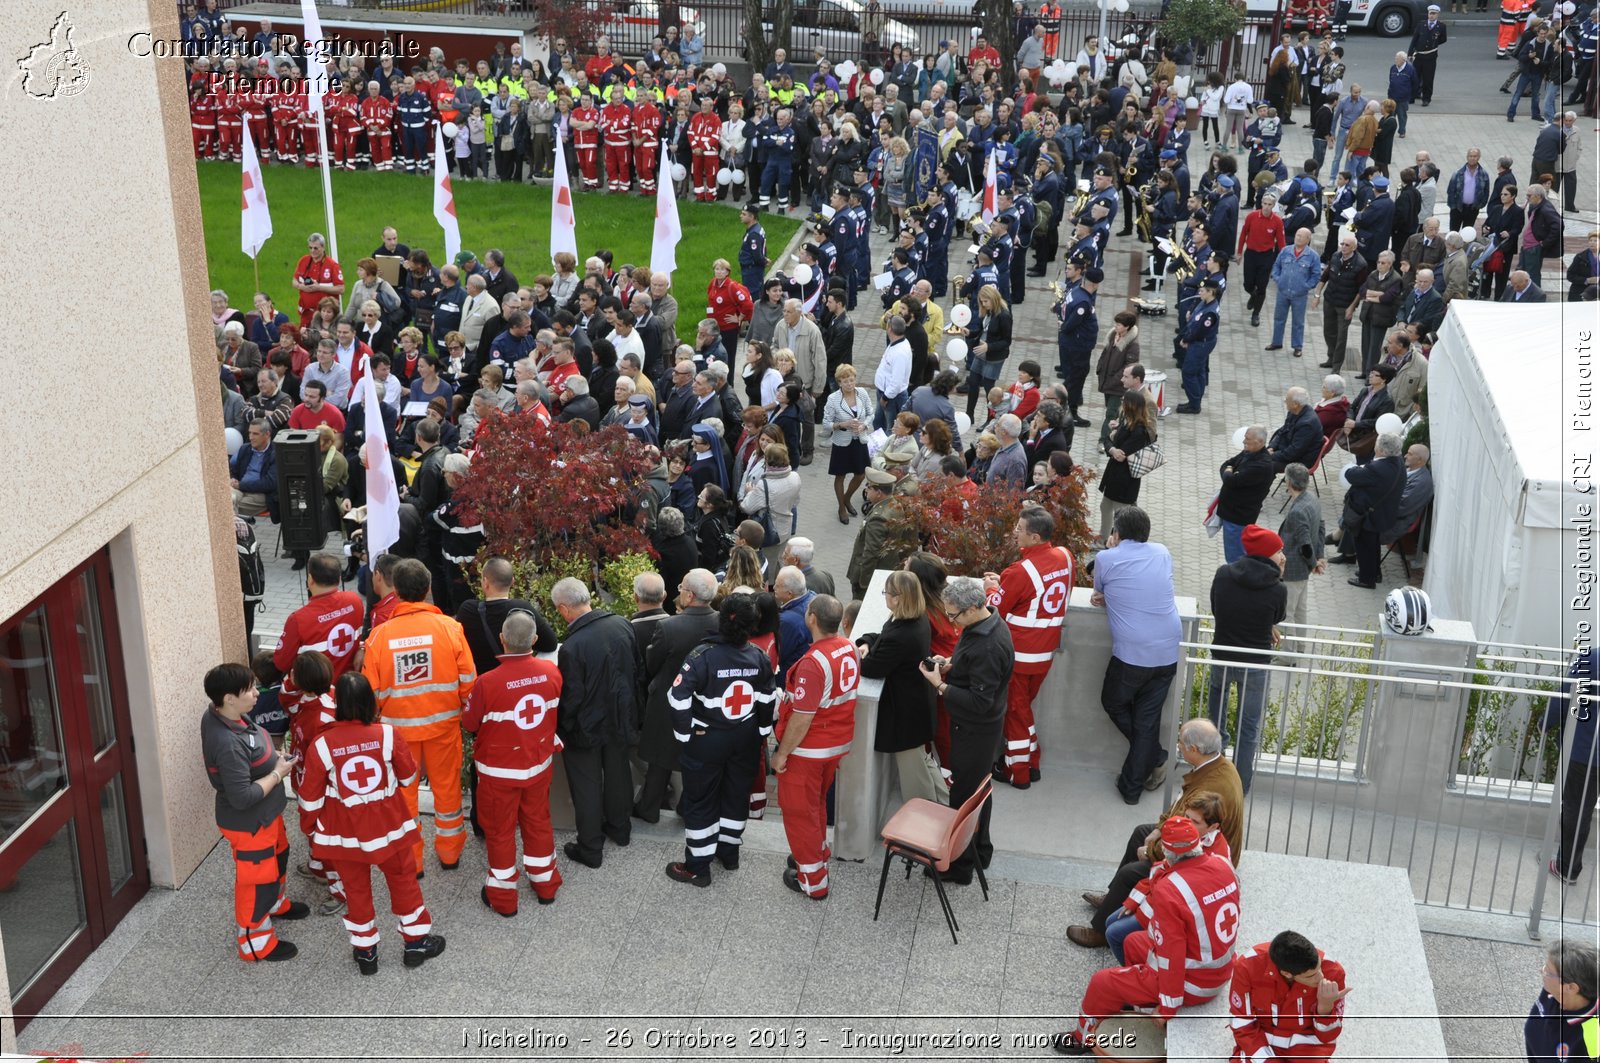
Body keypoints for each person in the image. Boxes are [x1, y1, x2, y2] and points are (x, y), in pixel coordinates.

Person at [1052, 815, 1241, 1055]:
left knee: (1102, 982)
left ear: (1168, 853)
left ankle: (1082, 1038)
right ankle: (1141, 1004)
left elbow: (1172, 954)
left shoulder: (1170, 889)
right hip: (1218, 970)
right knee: (1132, 942)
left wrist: (1168, 1006)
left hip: (1192, 982)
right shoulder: (1222, 864)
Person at [1071, 719, 1245, 949]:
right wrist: (1157, 829)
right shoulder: (1217, 766)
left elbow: (1185, 839)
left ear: (1194, 750)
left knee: (1130, 872)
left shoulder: (1210, 786)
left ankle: (1101, 931)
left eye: (1181, 743)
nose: (1178, 746)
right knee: (1140, 832)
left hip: (1201, 857)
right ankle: (1115, 899)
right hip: (1197, 840)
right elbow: (1180, 808)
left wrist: (1151, 850)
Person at [359, 558, 475, 872]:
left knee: (404, 798)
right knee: (447, 790)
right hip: (443, 727)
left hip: (399, 734)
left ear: (395, 590)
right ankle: (450, 853)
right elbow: (468, 680)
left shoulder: (380, 637)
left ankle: (414, 860)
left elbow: (371, 693)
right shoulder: (450, 629)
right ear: (428, 589)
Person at [665, 593, 779, 886]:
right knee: (735, 794)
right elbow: (767, 699)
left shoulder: (702, 656)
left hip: (707, 739)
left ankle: (697, 868)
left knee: (701, 800)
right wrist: (762, 733)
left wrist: (685, 735)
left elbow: (677, 699)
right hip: (745, 738)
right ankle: (729, 854)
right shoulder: (759, 657)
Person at [201, 662, 308, 963]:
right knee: (256, 882)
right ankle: (255, 943)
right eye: (248, 689)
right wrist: (278, 773)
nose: (256, 693)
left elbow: (252, 744)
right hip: (250, 823)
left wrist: (272, 756)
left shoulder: (224, 714)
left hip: (267, 815)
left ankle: (276, 904)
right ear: (229, 699)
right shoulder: (226, 743)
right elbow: (242, 797)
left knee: (279, 858)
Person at [461, 610, 564, 915]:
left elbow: (470, 723)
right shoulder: (552, 673)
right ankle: (545, 884)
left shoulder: (487, 683)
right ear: (534, 640)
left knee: (500, 832)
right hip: (539, 765)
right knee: (538, 822)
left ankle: (504, 899)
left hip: (498, 773)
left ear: (502, 640)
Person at [919, 576, 1012, 884]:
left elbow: (980, 700)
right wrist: (951, 664)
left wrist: (940, 684)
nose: (950, 620)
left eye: (953, 615)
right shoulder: (987, 625)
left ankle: (958, 868)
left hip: (976, 732)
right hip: (982, 730)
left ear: (974, 607)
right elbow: (972, 668)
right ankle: (980, 851)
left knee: (963, 799)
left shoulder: (987, 645)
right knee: (978, 794)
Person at [1092, 507, 1183, 805]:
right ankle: (1136, 781)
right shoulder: (1162, 552)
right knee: (1146, 720)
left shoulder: (1106, 558)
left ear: (1116, 533)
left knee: (1113, 701)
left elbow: (1099, 591)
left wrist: (1110, 549)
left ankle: (1154, 758)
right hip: (1168, 649)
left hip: (1132, 654)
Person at [550, 577, 639, 869]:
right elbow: (637, 670)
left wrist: (562, 728)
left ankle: (590, 848)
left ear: (564, 609)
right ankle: (620, 829)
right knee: (618, 775)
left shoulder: (573, 646)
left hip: (586, 728)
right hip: (621, 718)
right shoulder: (622, 624)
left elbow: (572, 697)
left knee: (586, 786)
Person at [773, 595, 858, 899]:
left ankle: (813, 882)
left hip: (808, 751)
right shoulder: (849, 647)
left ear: (811, 619)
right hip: (834, 745)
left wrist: (782, 752)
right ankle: (816, 855)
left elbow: (802, 717)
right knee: (816, 805)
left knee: (799, 813)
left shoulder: (813, 663)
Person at [985, 508, 1075, 790]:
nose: (1015, 531)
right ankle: (1031, 761)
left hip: (1018, 657)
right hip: (1045, 653)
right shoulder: (1065, 556)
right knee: (1022, 712)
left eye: (1019, 528)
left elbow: (993, 610)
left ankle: (1019, 773)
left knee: (1015, 713)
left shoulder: (1019, 571)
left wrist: (992, 588)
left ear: (1034, 536)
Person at [1208, 525, 1288, 793]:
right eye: (1279, 552)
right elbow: (1275, 616)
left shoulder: (1222, 575)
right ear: (1266, 555)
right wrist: (1266, 625)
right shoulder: (1277, 589)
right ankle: (1238, 789)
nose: (1283, 557)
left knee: (1215, 725)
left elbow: (1218, 610)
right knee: (1249, 729)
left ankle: (1212, 779)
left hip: (1221, 659)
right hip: (1255, 666)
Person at [857, 571, 941, 804]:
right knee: (924, 763)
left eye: (887, 593)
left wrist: (861, 654)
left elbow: (873, 668)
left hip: (906, 718)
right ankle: (946, 806)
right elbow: (884, 638)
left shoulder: (903, 633)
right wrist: (867, 642)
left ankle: (924, 820)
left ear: (898, 598)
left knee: (915, 776)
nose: (885, 597)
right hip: (917, 708)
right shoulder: (916, 619)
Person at [1229, 931, 1351, 1062]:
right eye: (1310, 976)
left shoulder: (1333, 973)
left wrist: (1325, 1008)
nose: (1321, 977)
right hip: (1261, 1040)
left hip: (1307, 1048)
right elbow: (1242, 1024)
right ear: (1287, 974)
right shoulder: (1247, 968)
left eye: (1319, 968)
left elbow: (1327, 1037)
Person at [1098, 391, 1157, 543]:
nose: (1121, 404)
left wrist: (1111, 443)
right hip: (1114, 476)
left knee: (1120, 514)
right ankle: (1103, 539)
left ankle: (1116, 542)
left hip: (1125, 479)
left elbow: (1121, 454)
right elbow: (1108, 441)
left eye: (1124, 401)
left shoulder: (1139, 430)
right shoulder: (1125, 422)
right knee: (1105, 506)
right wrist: (1111, 444)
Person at [1525, 940, 1599, 1060]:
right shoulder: (1552, 992)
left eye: (1548, 972)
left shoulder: (1593, 1039)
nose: (1541, 971)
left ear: (1570, 987)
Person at [1216, 427, 1276, 563]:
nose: (1243, 441)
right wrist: (1230, 471)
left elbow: (1231, 480)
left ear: (1260, 442)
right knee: (1233, 553)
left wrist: (1230, 472)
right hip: (1232, 513)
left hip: (1238, 517)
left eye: (1247, 439)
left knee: (1235, 557)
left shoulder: (1261, 465)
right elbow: (1226, 464)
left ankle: (1237, 580)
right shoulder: (1248, 452)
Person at [1278, 464, 1327, 627]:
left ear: (1289, 482)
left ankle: (1289, 652)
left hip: (1292, 570)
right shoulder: (1312, 498)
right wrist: (1319, 557)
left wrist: (1314, 563)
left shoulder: (1297, 511)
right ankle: (1300, 648)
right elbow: (1321, 526)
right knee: (1300, 611)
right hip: (1303, 570)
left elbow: (1305, 545)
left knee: (1287, 614)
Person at [847, 467, 907, 600]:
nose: (866, 490)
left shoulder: (878, 517)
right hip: (886, 568)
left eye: (869, 487)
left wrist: (864, 582)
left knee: (859, 607)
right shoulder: (895, 504)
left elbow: (871, 553)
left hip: (868, 575)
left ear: (879, 493)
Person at [1266, 227, 1322, 359]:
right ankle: (1276, 342)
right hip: (1283, 291)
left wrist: (1306, 286)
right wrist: (1278, 280)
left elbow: (1316, 275)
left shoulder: (1312, 256)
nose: (1298, 238)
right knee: (1278, 318)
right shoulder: (1286, 251)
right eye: (1297, 235)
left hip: (1299, 294)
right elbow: (1276, 266)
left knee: (1298, 322)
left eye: (1302, 236)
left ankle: (1297, 346)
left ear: (1308, 239)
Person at [1267, 388, 1325, 473]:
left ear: (1295, 404)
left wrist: (1272, 455)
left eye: (1287, 399)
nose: (1284, 400)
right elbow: (1282, 431)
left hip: (1300, 461)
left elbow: (1293, 453)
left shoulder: (1307, 424)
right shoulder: (1294, 411)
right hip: (1289, 450)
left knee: (1264, 464)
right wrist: (1271, 447)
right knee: (1259, 456)